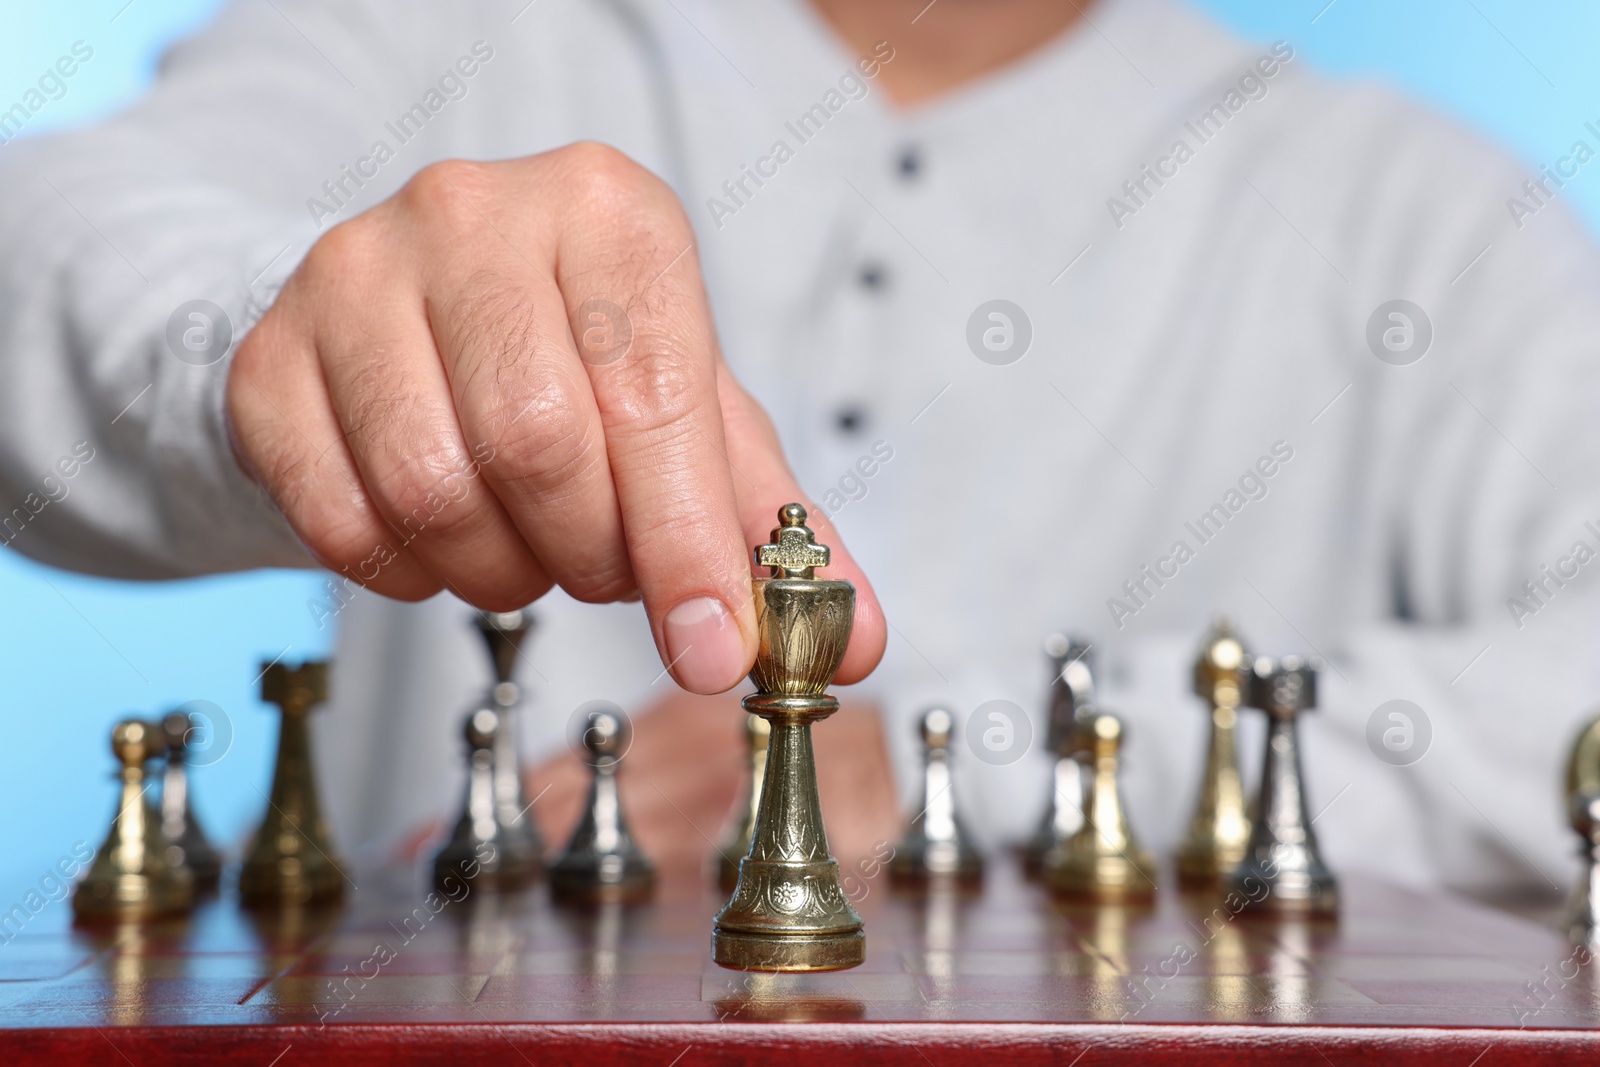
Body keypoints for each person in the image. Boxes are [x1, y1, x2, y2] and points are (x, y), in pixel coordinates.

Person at [2, 0, 1596, 896]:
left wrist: (972, 765)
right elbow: (46, 249)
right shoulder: (432, 33)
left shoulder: (1420, 212)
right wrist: (279, 341)